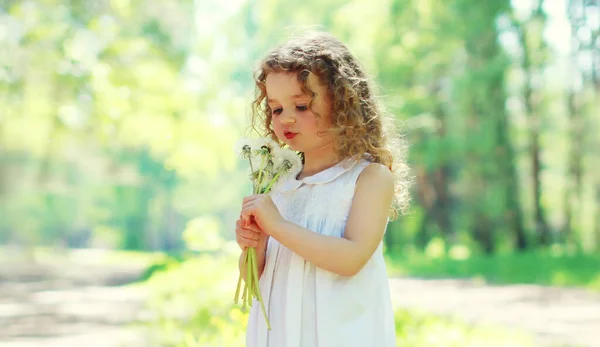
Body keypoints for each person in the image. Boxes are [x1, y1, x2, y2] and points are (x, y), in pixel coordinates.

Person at [235, 30, 411, 347]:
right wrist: (254, 248)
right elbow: (253, 282)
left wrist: (277, 225)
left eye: (301, 106)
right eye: (276, 109)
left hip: (340, 335)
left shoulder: (369, 178)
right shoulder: (278, 183)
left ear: (343, 104)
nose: (286, 119)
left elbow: (351, 259)